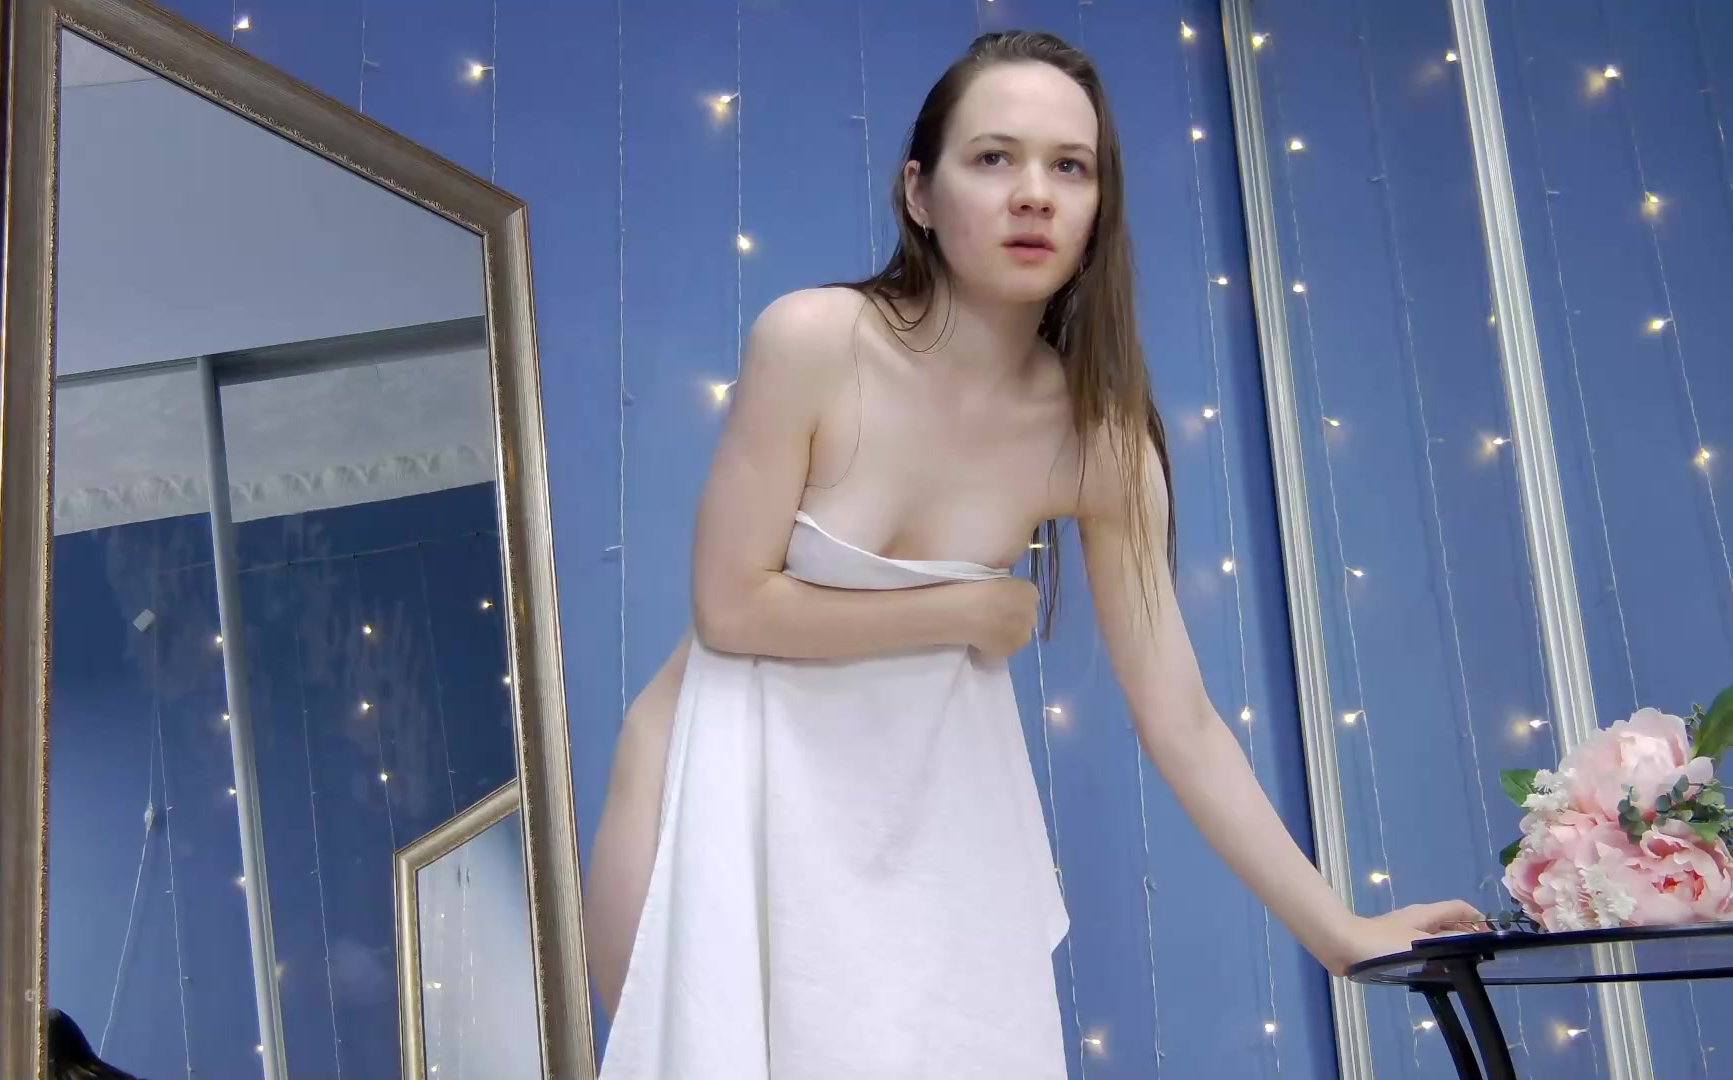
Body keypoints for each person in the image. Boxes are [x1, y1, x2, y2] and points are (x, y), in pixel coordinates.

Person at [587, 30, 1480, 1079]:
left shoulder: (1101, 441)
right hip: (709, 791)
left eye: (1070, 167)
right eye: (993, 158)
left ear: (1099, 208)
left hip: (921, 839)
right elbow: (732, 608)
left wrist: (1340, 933)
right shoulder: (815, 340)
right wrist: (962, 610)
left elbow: (1183, 720)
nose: (1034, 195)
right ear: (919, 193)